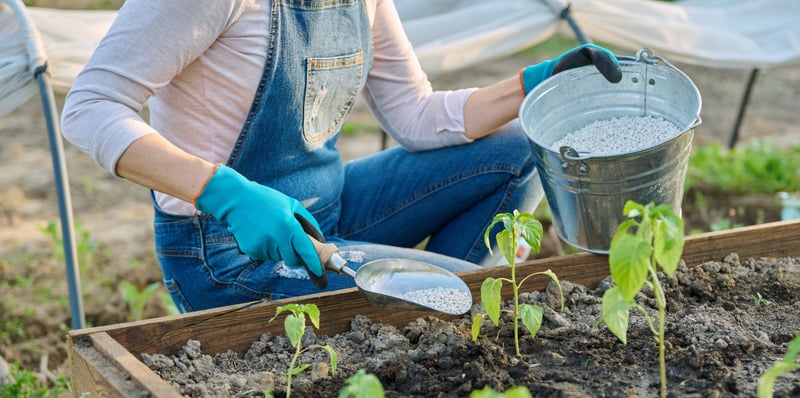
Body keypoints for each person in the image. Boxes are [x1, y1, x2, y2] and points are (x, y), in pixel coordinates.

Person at [61, 0, 621, 313]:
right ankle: (439, 311)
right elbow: (89, 106)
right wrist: (223, 192)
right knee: (458, 295)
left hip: (331, 208)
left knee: (519, 147)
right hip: (226, 251)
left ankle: (437, 315)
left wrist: (529, 85)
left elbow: (415, 113)